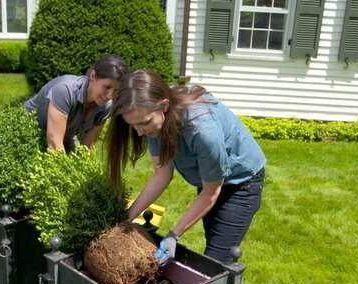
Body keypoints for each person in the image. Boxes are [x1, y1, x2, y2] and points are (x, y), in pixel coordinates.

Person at [106, 70, 266, 265]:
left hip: (241, 183)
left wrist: (174, 235)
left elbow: (210, 192)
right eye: (133, 126)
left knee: (216, 263)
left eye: (144, 123)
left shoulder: (202, 132)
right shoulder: (152, 116)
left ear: (163, 106)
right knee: (216, 250)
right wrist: (127, 218)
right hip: (210, 178)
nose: (139, 133)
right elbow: (162, 174)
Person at [24, 54, 127, 152]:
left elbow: (87, 147)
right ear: (92, 76)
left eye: (115, 90)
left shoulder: (106, 107)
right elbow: (54, 143)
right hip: (29, 130)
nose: (109, 96)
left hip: (65, 136)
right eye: (107, 87)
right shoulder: (65, 91)